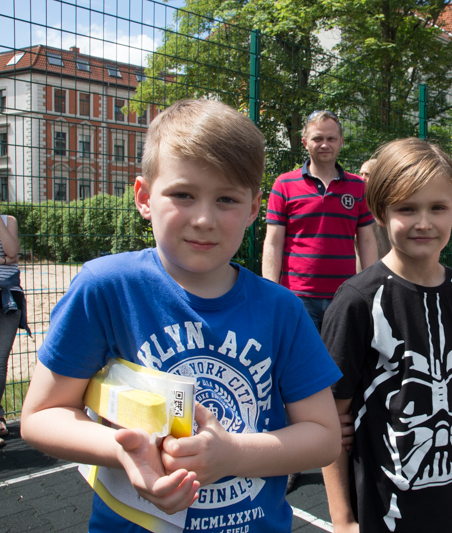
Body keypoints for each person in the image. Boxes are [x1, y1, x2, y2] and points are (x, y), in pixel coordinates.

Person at [20, 99, 343, 532]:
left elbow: (324, 437)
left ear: (253, 209)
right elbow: (41, 415)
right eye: (183, 195)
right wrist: (124, 450)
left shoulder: (282, 309)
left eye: (226, 199)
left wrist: (231, 454)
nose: (204, 219)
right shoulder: (107, 288)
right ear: (143, 197)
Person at [321, 138, 452, 532]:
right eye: (407, 208)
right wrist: (342, 518)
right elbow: (330, 419)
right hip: (380, 510)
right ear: (380, 211)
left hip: (451, 504)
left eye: (437, 208)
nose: (424, 223)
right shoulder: (358, 300)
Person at [263, 110, 378, 331]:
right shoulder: (284, 184)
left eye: (331, 138)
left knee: (340, 354)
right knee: (299, 354)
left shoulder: (358, 187)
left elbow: (367, 241)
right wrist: (270, 290)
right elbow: (273, 242)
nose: (324, 144)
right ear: (305, 142)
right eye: (317, 138)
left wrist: (370, 287)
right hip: (296, 296)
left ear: (341, 142)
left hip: (345, 294)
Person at [0, 208, 28, 449]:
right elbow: (8, 258)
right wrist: (5, 261)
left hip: (8, 298)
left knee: (0, 361)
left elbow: (12, 252)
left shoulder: (8, 221)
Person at [359, 158, 390, 259]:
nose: (363, 178)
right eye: (361, 174)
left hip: (385, 255)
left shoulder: (388, 199)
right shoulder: (358, 199)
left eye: (367, 174)